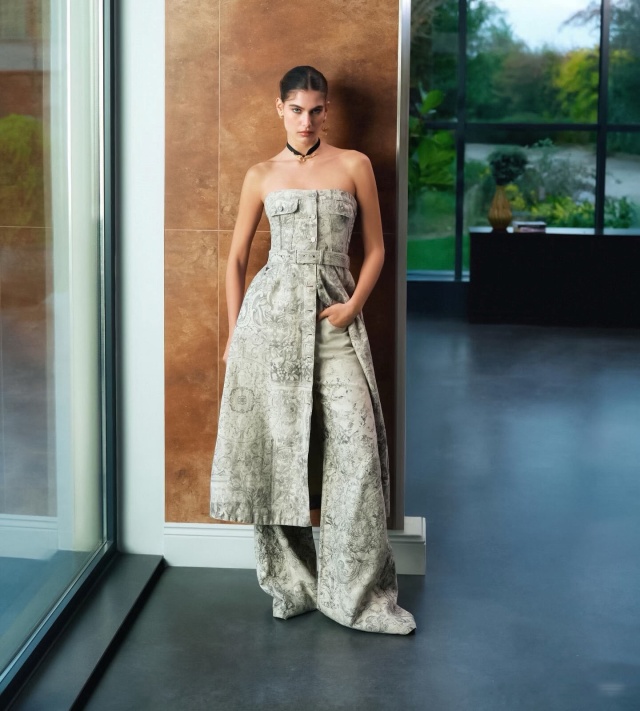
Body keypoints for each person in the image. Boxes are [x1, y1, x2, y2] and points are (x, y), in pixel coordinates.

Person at [210, 66, 416, 635]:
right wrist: (235, 335)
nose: (307, 121)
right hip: (269, 324)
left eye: (316, 110)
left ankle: (356, 597)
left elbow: (375, 249)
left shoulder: (354, 165)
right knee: (280, 454)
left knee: (356, 450)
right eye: (297, 109)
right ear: (280, 108)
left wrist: (352, 307)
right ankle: (295, 585)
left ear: (327, 111)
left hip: (333, 320)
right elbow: (235, 259)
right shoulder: (260, 174)